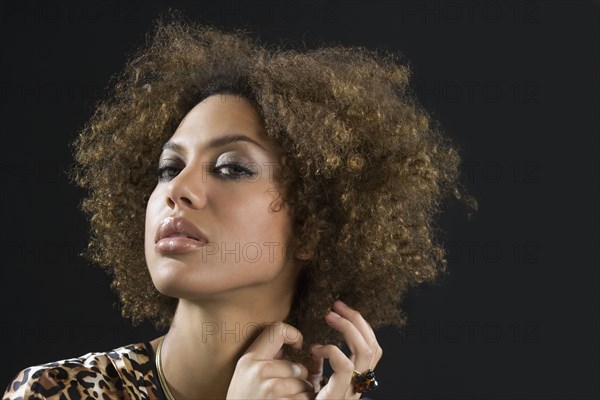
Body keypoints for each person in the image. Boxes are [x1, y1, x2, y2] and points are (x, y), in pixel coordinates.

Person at [3, 11, 475, 400]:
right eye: (169, 167)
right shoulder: (55, 392)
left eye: (230, 168)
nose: (178, 189)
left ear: (312, 226)